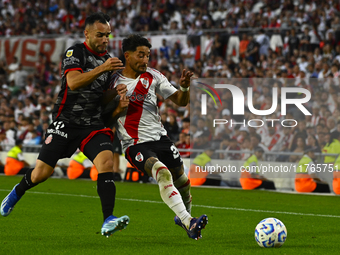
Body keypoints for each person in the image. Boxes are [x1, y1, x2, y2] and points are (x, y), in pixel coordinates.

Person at [1, 12, 130, 238]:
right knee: (41, 173)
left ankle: (108, 219)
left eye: (108, 35)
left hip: (92, 123)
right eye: (100, 35)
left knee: (107, 162)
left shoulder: (107, 60)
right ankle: (16, 192)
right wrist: (103, 69)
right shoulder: (75, 52)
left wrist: (114, 93)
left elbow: (99, 97)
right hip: (66, 122)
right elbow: (74, 82)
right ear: (87, 34)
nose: (105, 40)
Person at [109, 34, 208, 240]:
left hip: (160, 139)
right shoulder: (113, 81)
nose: (145, 60)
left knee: (183, 181)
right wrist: (117, 107)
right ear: (127, 56)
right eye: (140, 55)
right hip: (134, 144)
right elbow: (103, 116)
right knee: (162, 173)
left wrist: (185, 86)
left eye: (147, 55)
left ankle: (185, 218)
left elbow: (180, 101)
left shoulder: (154, 76)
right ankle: (189, 221)